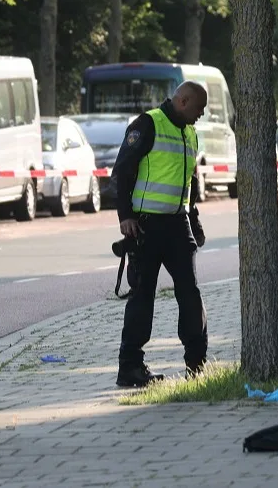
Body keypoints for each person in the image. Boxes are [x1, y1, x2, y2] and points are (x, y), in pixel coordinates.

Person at [111, 81, 209, 388]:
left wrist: (193, 218)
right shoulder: (148, 124)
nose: (201, 115)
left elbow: (189, 180)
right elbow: (122, 171)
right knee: (142, 296)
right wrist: (125, 217)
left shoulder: (190, 133)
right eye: (198, 108)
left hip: (178, 225)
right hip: (145, 226)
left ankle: (197, 363)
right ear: (183, 101)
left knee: (190, 294)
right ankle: (130, 367)